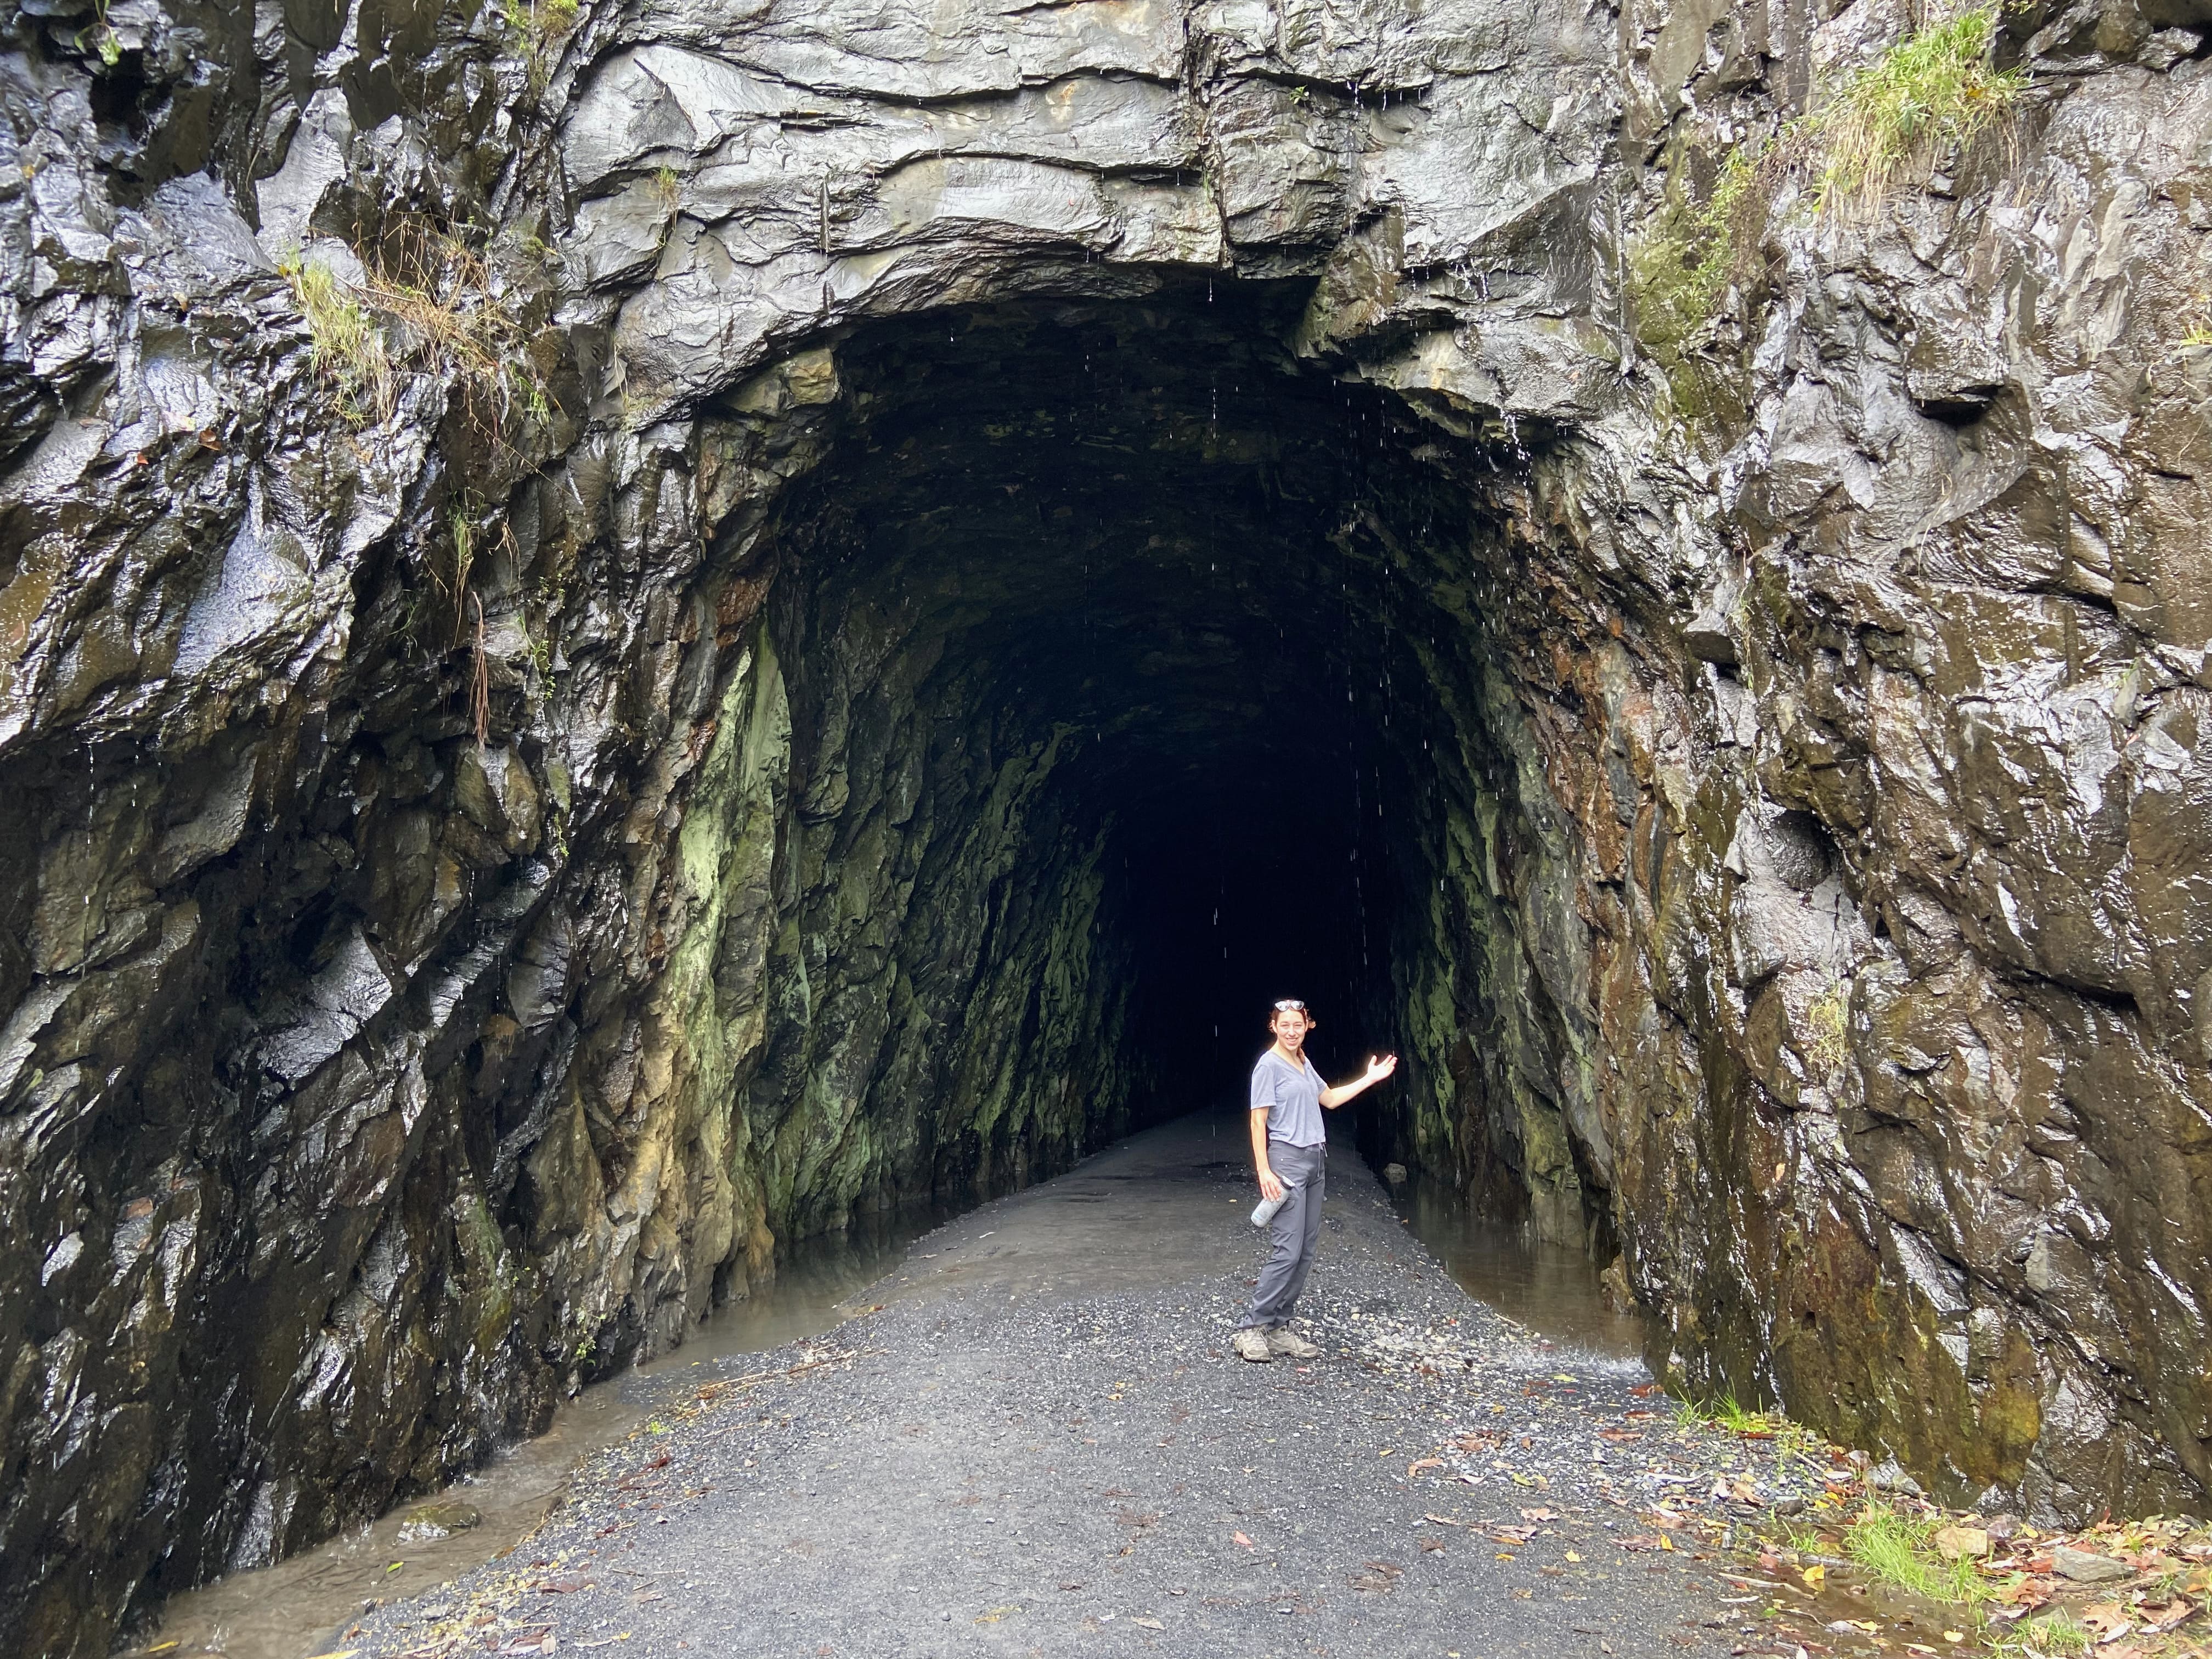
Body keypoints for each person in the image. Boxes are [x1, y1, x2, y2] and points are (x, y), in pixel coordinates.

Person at [1232, 998, 1398, 1363]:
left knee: (1304, 1253)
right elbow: (1258, 1121)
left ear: (1308, 1025)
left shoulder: (1303, 1062)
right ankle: (1251, 1329)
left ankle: (1279, 1328)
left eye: (1298, 1025)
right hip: (1287, 1161)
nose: (1292, 1031)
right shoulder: (1269, 1066)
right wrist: (1264, 1170)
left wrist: (1370, 1078)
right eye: (1285, 1025)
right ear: (1273, 1026)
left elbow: (1331, 1099)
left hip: (1315, 1161)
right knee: (1286, 1251)